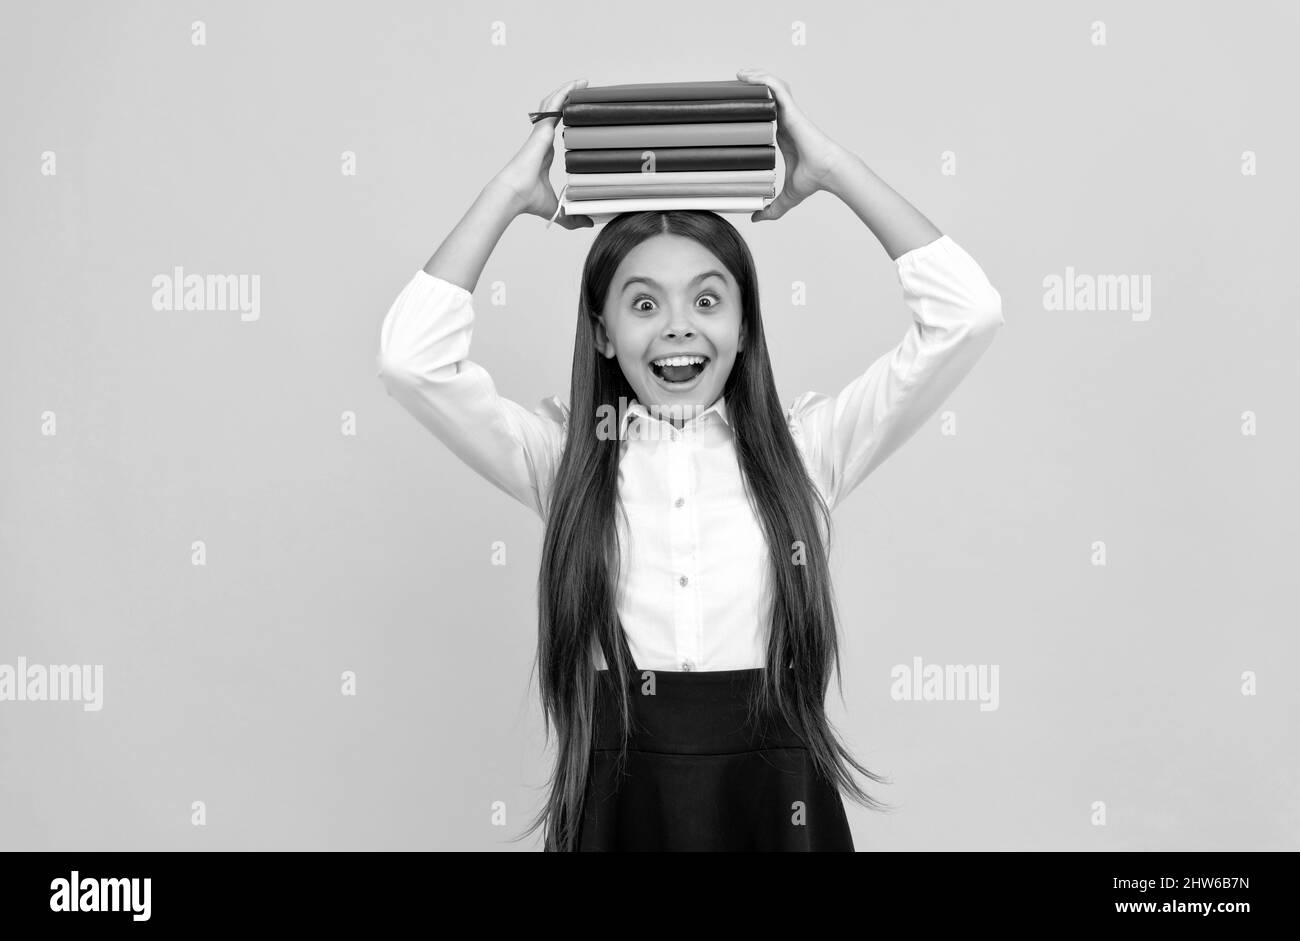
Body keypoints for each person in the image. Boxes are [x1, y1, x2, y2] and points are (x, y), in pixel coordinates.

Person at [377, 68, 1004, 851]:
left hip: (777, 807)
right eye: (644, 304)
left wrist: (832, 170)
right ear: (603, 332)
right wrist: (512, 192)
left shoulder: (807, 452)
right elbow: (410, 361)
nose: (678, 327)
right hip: (619, 808)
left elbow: (967, 315)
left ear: (745, 326)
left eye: (708, 300)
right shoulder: (568, 457)